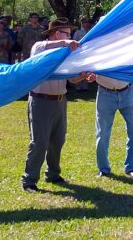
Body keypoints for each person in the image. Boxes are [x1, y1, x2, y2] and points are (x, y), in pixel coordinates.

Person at [21, 18, 85, 192]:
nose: (70, 38)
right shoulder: (40, 47)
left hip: (59, 102)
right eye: (67, 34)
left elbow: (72, 79)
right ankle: (29, 180)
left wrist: (84, 75)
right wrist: (67, 42)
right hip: (40, 101)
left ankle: (53, 174)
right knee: (39, 142)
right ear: (57, 34)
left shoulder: (66, 55)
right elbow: (41, 49)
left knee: (58, 140)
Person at [87, 72, 133, 179]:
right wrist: (91, 74)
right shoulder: (99, 54)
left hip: (128, 91)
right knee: (102, 134)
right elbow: (90, 66)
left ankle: (131, 168)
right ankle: (103, 169)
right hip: (105, 93)